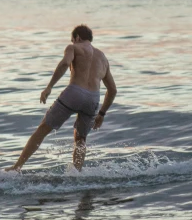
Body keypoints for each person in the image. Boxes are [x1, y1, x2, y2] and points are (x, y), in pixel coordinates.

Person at [10, 24, 117, 171]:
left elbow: (65, 63)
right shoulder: (103, 58)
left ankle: (16, 168)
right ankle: (76, 174)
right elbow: (112, 90)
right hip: (93, 98)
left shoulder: (74, 48)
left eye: (73, 40)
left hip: (74, 92)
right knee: (80, 139)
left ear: (77, 37)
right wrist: (102, 114)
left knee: (42, 130)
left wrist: (49, 87)